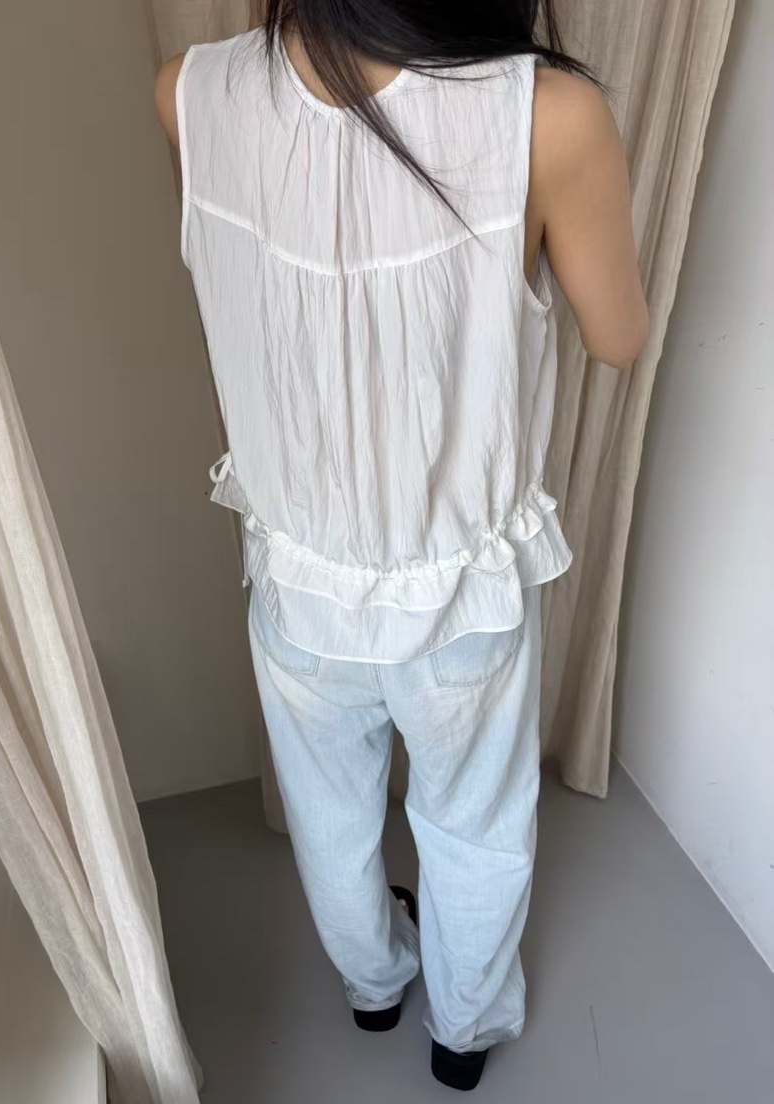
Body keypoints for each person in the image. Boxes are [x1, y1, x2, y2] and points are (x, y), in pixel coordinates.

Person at [155, 0, 647, 1091]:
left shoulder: (189, 90)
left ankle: (372, 988)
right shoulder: (548, 115)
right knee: (473, 824)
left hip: (298, 579)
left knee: (330, 815)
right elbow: (619, 338)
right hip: (458, 594)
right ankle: (462, 1035)